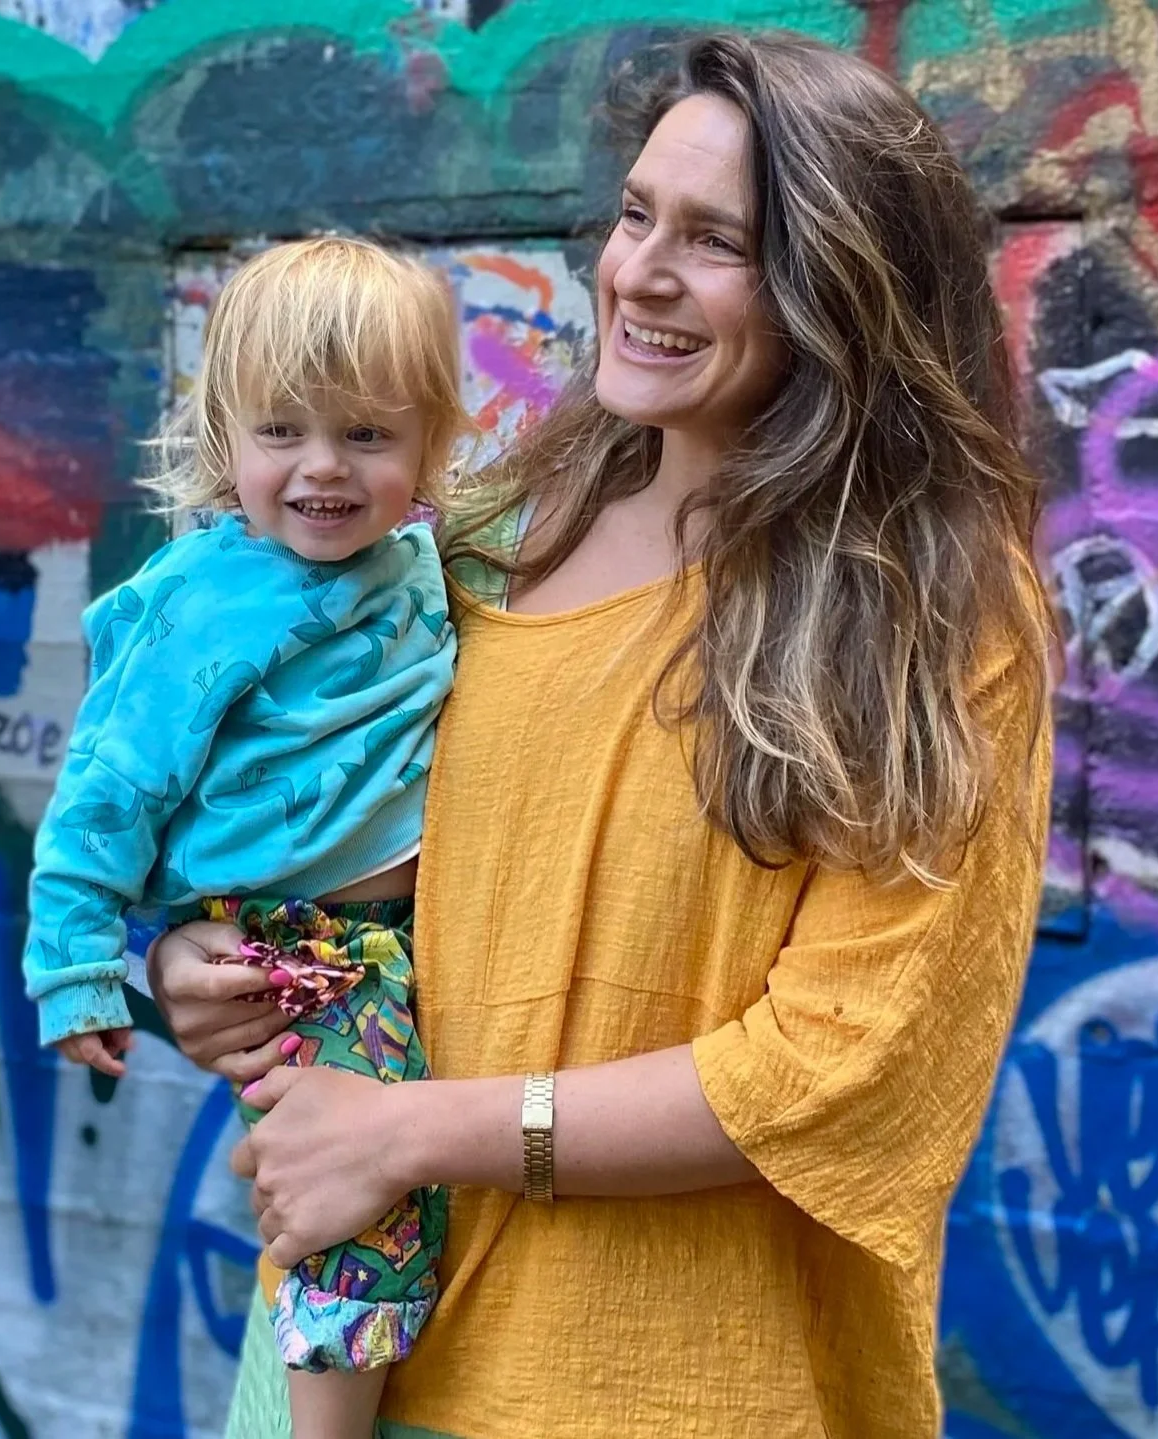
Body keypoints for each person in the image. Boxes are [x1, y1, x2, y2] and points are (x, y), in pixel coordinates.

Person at [149, 32, 1054, 1439]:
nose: (636, 270)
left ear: (843, 280)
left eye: (716, 242)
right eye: (634, 214)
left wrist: (410, 1131)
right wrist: (210, 960)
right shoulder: (472, 542)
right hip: (357, 1355)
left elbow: (835, 1062)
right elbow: (330, 854)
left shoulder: (933, 609)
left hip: (674, 1391)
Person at [21, 236, 469, 1439]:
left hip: (410, 939)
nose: (322, 468)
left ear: (430, 442)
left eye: (367, 436)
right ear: (226, 438)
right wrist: (78, 965)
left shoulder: (426, 560)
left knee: (386, 1187)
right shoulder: (205, 601)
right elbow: (104, 790)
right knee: (359, 1203)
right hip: (303, 945)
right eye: (283, 432)